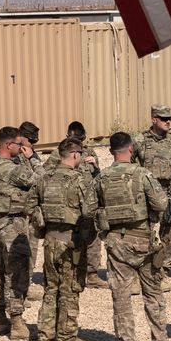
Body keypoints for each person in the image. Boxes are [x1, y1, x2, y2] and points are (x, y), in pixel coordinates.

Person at [96, 131, 171, 341]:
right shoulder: (142, 174)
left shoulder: (102, 178)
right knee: (153, 292)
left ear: (110, 151)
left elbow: (90, 208)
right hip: (143, 240)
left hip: (116, 241)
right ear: (131, 149)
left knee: (121, 295)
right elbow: (161, 203)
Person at [32, 137, 98, 341]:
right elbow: (89, 211)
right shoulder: (79, 180)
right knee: (69, 288)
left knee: (51, 287)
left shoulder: (44, 178)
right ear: (75, 155)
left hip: (50, 239)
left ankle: (44, 335)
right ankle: (66, 336)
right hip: (71, 241)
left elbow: (32, 206)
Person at [0, 126, 38, 338]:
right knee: (17, 273)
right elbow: (40, 179)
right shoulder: (11, 170)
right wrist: (32, 158)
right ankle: (17, 322)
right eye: (19, 145)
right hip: (12, 225)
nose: (21, 148)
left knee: (1, 271)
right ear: (8, 145)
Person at [135, 105, 171, 289]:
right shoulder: (139, 141)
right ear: (153, 119)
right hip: (145, 194)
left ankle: (162, 271)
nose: (168, 122)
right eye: (163, 118)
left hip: (169, 192)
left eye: (169, 118)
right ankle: (144, 271)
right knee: (144, 233)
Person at [65, 121, 107, 290]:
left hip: (88, 203)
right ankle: (73, 274)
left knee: (93, 239)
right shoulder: (60, 152)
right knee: (71, 239)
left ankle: (92, 274)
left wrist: (96, 166)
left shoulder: (89, 152)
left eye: (80, 141)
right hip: (70, 203)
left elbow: (98, 177)